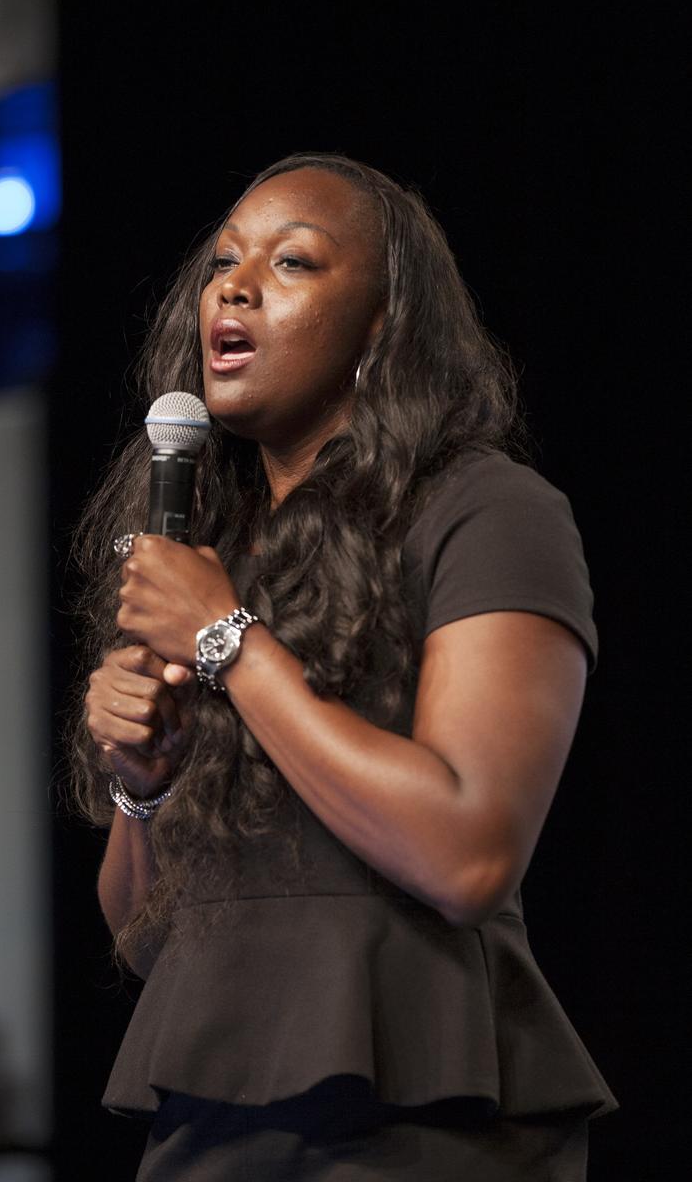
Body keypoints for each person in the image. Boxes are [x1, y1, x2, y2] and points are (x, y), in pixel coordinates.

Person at [71, 153, 617, 1180]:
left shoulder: (485, 510)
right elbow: (148, 940)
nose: (232, 285)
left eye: (292, 262)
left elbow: (466, 852)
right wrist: (140, 788)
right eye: (223, 261)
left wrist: (228, 640)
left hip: (417, 1118)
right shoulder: (209, 555)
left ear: (381, 328)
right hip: (209, 1126)